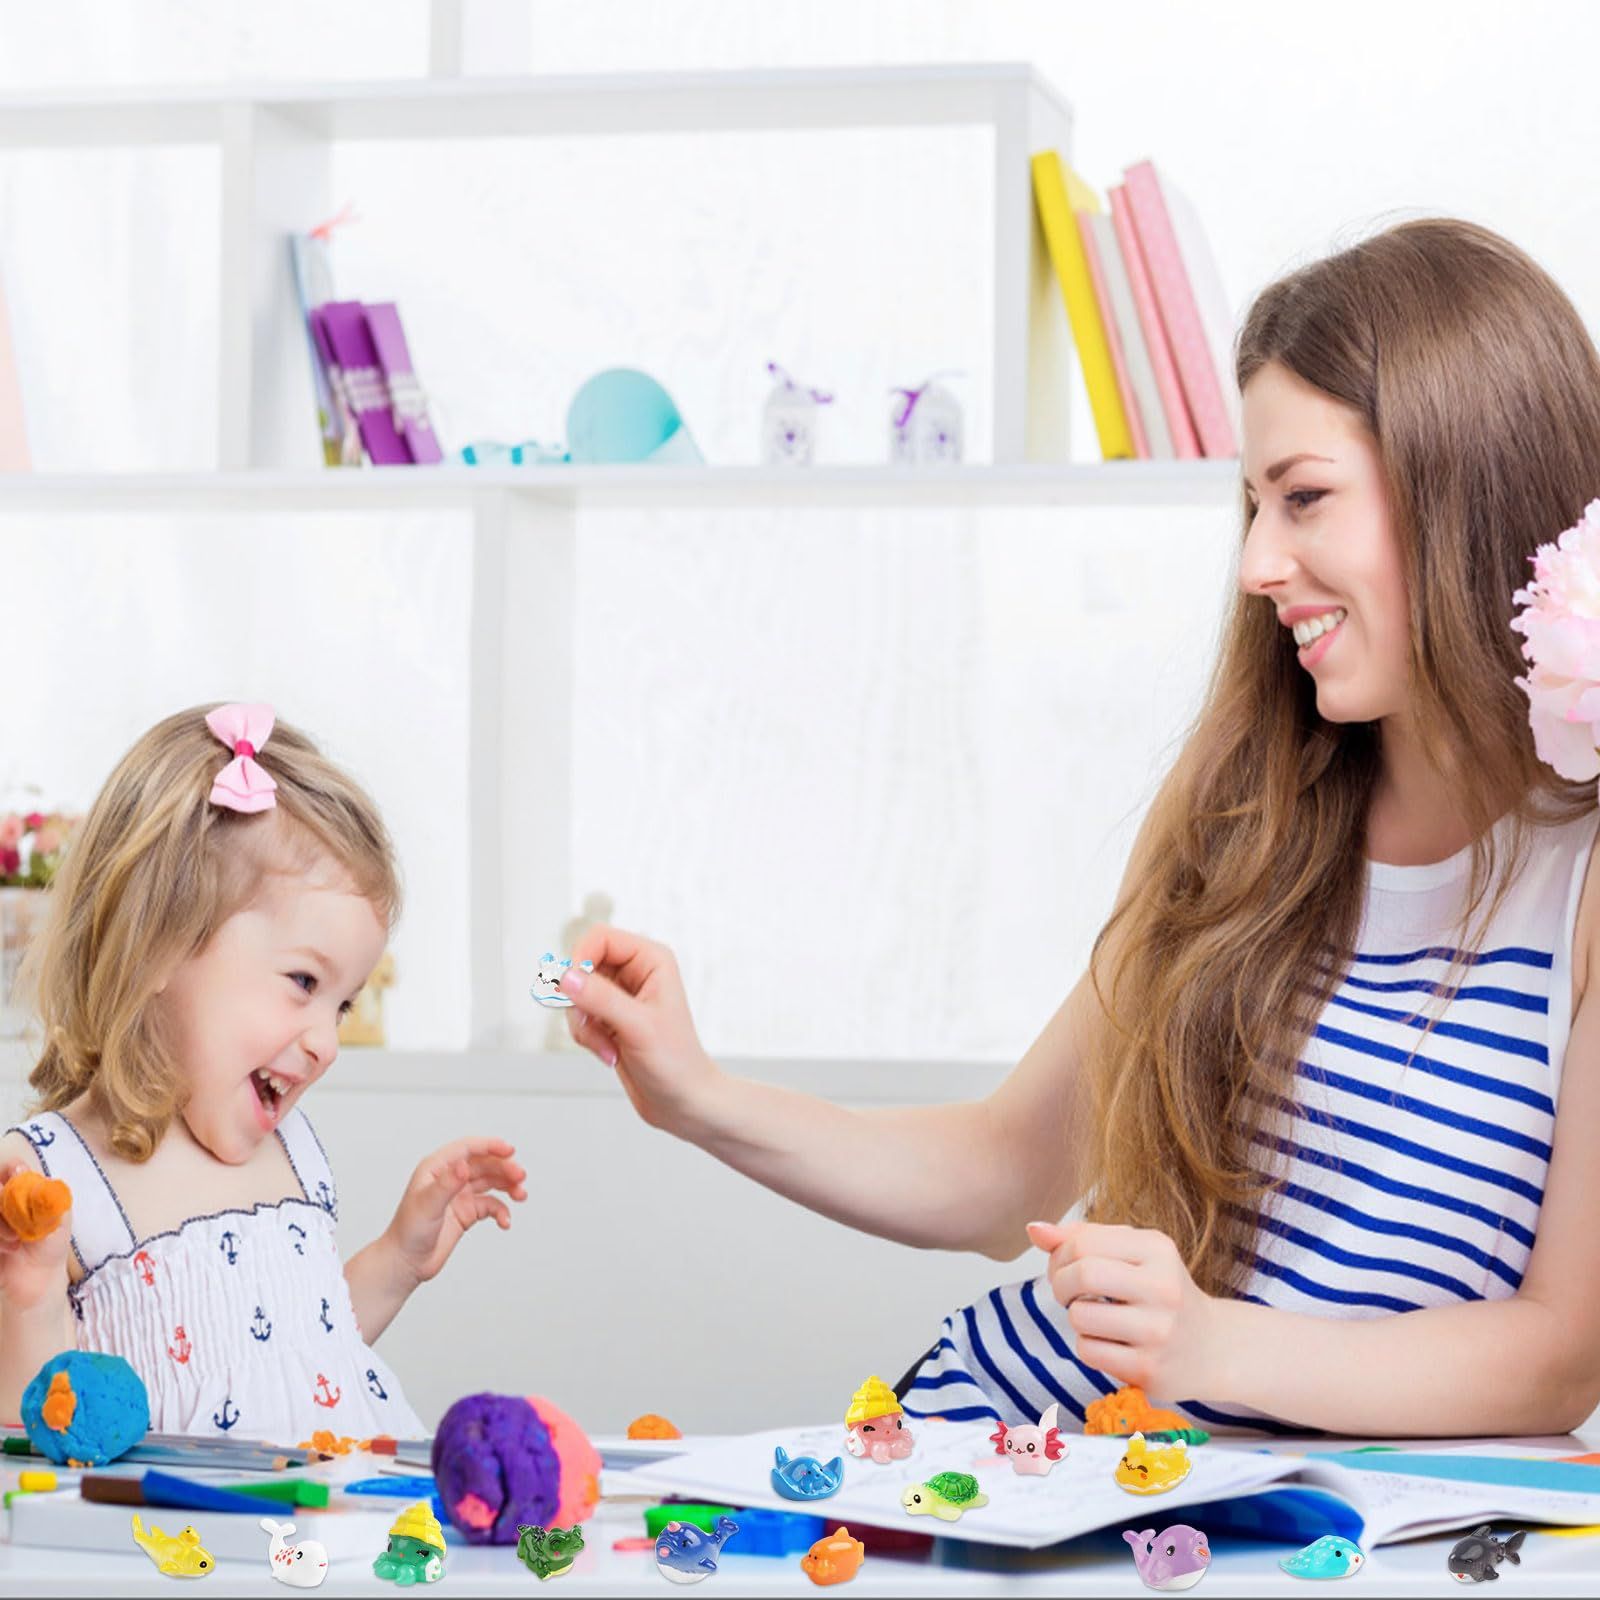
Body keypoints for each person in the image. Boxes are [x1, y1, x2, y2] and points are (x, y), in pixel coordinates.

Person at [548, 219, 1600, 1436]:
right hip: (1024, 1447)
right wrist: (697, 1096)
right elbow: (1005, 1171)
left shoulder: (1577, 884)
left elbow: (1559, 1355)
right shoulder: (1244, 802)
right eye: (1252, 506)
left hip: (1288, 1508)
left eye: (1304, 498)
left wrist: (1212, 1343)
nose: (1258, 562)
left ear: (1461, 483)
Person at [0, 704, 526, 1439]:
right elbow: (33, 1431)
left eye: (343, 1005)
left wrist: (398, 1260)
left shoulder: (293, 1152)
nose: (327, 1044)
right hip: (193, 1518)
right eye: (304, 983)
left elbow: (304, 1355)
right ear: (158, 946)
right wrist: (27, 1297)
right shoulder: (53, 1182)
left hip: (336, 1506)